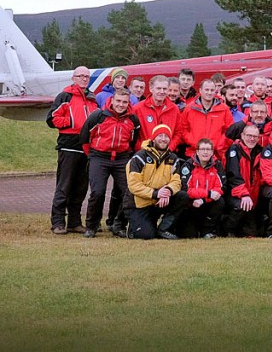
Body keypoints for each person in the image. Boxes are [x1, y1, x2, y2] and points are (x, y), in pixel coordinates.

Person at [79, 88, 140, 238]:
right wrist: (92, 155)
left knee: (128, 192)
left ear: (128, 103)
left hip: (121, 158)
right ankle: (92, 226)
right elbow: (84, 137)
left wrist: (127, 155)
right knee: (97, 192)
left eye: (124, 102)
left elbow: (134, 140)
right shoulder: (99, 116)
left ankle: (119, 224)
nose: (120, 105)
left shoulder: (133, 119)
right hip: (99, 157)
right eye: (118, 101)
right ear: (112, 100)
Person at [46, 65, 97, 234]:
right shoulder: (64, 96)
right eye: (81, 76)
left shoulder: (92, 99)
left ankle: (74, 222)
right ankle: (58, 222)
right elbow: (52, 119)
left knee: (81, 187)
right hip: (68, 146)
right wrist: (71, 122)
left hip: (86, 148)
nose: (84, 79)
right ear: (73, 78)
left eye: (87, 76)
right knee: (64, 185)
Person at [125, 124, 188, 240]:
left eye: (166, 136)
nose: (163, 139)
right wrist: (156, 193)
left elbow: (176, 182)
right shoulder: (139, 158)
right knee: (147, 235)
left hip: (160, 200)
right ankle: (134, 227)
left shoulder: (173, 159)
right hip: (139, 203)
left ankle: (164, 229)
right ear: (153, 138)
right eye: (160, 135)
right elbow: (134, 186)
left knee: (182, 196)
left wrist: (167, 191)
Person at [178, 138, 226, 238]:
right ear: (197, 152)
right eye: (202, 149)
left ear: (212, 152)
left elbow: (220, 188)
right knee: (190, 236)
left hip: (207, 203)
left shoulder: (218, 165)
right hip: (191, 205)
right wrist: (207, 193)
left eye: (208, 149)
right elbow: (185, 189)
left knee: (220, 201)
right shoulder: (188, 165)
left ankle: (207, 231)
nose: (205, 152)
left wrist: (204, 200)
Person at [179, 79, 234, 161]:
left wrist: (218, 145)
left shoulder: (224, 109)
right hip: (193, 154)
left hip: (216, 155)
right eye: (206, 90)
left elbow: (230, 131)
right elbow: (183, 129)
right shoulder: (189, 108)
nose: (209, 92)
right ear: (200, 90)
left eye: (212, 90)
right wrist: (194, 143)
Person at [224, 124, 264, 236]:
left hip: (253, 195)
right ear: (242, 135)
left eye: (255, 136)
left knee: (253, 233)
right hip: (235, 194)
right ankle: (227, 230)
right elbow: (233, 175)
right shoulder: (234, 150)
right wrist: (244, 194)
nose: (252, 139)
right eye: (249, 135)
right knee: (240, 206)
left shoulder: (260, 152)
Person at [133, 75, 180, 147]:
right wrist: (142, 149)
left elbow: (178, 133)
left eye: (165, 89)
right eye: (158, 88)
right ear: (151, 89)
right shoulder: (138, 108)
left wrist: (169, 148)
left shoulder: (174, 109)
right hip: (145, 154)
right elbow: (132, 134)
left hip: (167, 154)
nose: (162, 91)